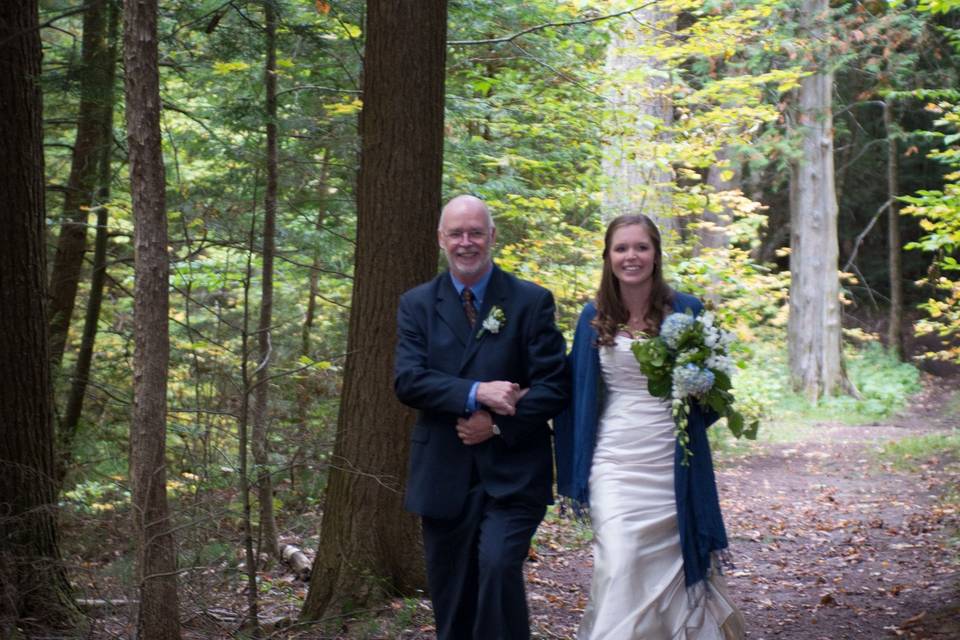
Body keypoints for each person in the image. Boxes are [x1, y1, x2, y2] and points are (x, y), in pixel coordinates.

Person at [554, 214, 745, 639]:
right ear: (608, 256)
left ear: (656, 254)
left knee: (675, 570)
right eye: (621, 248)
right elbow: (574, 392)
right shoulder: (593, 315)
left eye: (641, 247)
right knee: (620, 560)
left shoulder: (688, 309)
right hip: (615, 461)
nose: (631, 256)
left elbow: (717, 390)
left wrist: (700, 390)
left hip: (672, 461)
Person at [394, 194, 569, 640]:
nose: (466, 242)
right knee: (451, 597)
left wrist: (495, 424)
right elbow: (409, 381)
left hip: (513, 473)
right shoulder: (416, 304)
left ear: (492, 236)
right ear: (441, 240)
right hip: (443, 474)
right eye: (457, 234)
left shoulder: (530, 301)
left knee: (497, 565)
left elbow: (555, 385)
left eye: (475, 233)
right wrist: (477, 392)